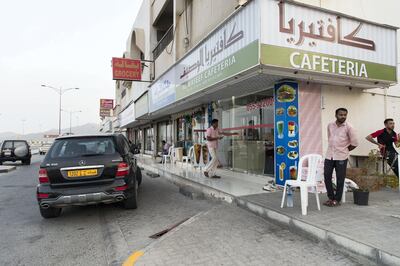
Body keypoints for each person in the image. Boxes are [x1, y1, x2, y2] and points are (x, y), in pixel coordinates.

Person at [324, 108, 358, 207]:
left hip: (341, 156)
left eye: (344, 115)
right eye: (341, 114)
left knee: (340, 179)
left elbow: (355, 143)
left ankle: (337, 200)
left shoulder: (349, 127)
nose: (343, 116)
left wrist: (345, 150)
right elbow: (330, 138)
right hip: (329, 155)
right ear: (336, 115)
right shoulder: (330, 125)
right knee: (326, 176)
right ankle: (331, 197)